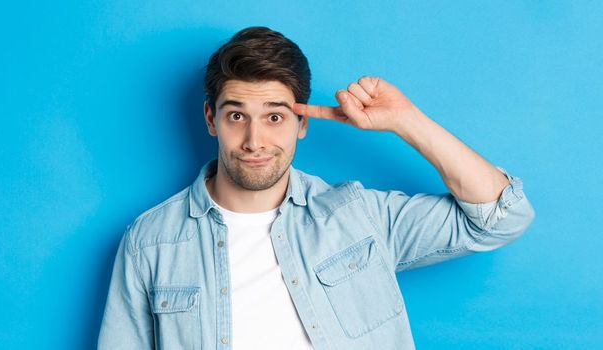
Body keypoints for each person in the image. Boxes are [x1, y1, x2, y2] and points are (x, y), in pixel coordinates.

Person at [97, 26, 535, 350]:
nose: (254, 141)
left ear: (301, 123)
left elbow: (501, 216)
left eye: (274, 117)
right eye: (236, 116)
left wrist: (406, 121)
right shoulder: (150, 243)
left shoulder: (358, 216)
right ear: (211, 119)